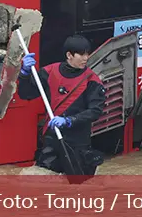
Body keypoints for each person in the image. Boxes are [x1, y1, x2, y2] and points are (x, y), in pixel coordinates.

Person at [17, 35, 105, 175]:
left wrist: (69, 121)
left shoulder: (92, 81)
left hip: (77, 144)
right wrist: (24, 73)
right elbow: (25, 94)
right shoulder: (49, 72)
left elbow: (95, 111)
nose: (85, 58)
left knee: (79, 187)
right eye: (81, 54)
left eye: (87, 53)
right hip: (51, 140)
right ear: (69, 55)